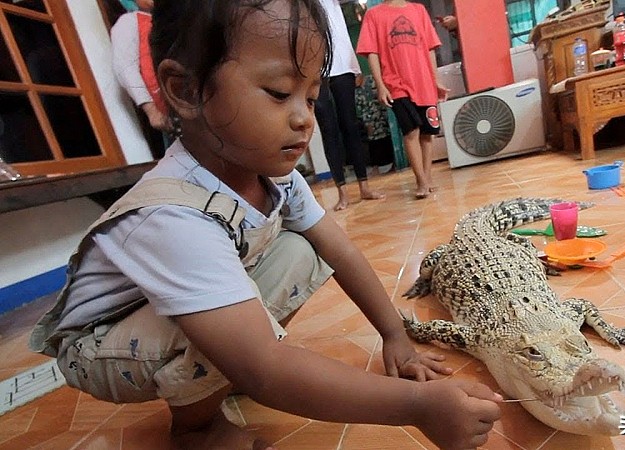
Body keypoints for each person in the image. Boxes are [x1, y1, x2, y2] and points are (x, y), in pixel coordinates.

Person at [28, 1, 502, 449]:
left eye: (311, 97)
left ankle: (217, 371)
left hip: (155, 322)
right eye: (279, 93)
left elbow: (343, 253)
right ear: (185, 90)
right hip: (101, 349)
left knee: (304, 248)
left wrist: (394, 334)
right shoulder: (171, 216)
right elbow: (266, 369)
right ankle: (197, 428)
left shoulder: (273, 177)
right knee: (244, 351)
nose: (303, 119)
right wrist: (418, 406)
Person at [356, 0, 450, 199]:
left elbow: (430, 48)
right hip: (396, 84)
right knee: (411, 131)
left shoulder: (419, 11)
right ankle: (421, 181)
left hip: (424, 82)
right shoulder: (374, 15)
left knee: (427, 133)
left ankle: (428, 176)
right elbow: (372, 52)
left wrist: (436, 80)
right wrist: (381, 85)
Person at [316, 0, 385, 211]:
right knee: (329, 131)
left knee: (351, 126)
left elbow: (341, 31)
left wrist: (354, 66)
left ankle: (364, 187)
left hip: (343, 66)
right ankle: (342, 193)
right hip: (315, 70)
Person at [110, 0, 171, 134]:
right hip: (169, 108)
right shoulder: (129, 22)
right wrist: (151, 111)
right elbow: (126, 68)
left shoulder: (176, 20)